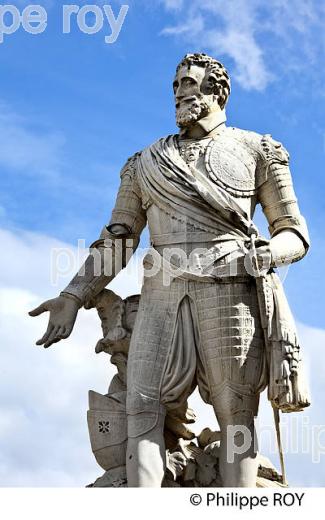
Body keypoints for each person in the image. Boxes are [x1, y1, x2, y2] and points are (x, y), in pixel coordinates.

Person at [30, 53, 310, 487]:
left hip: (232, 291)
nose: (179, 91)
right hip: (161, 295)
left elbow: (293, 231)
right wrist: (72, 296)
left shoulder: (259, 150)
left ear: (218, 90)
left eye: (189, 82)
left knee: (235, 413)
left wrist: (272, 254)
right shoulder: (145, 162)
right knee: (141, 408)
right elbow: (118, 238)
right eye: (176, 84)